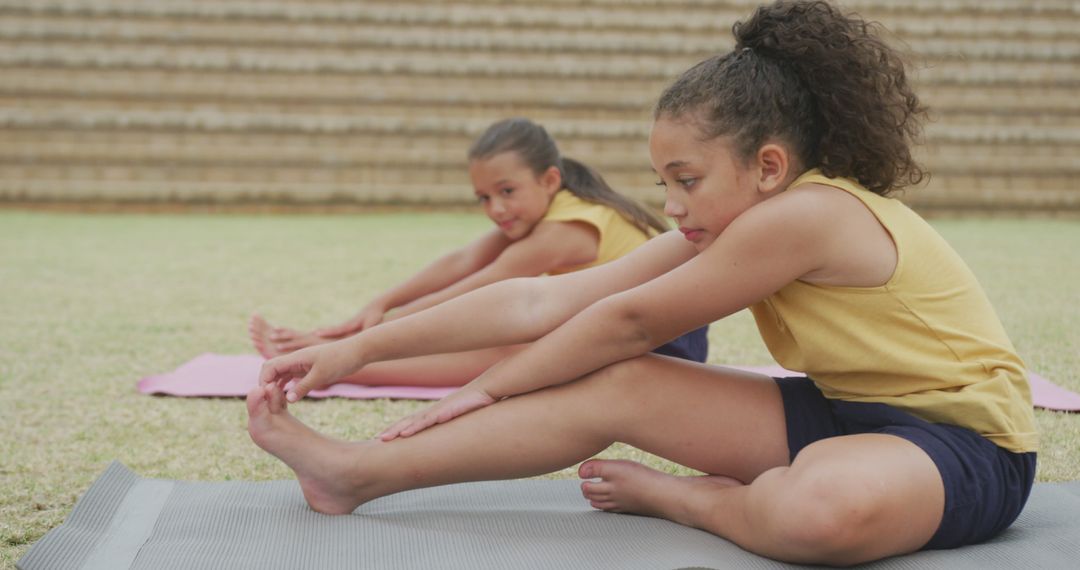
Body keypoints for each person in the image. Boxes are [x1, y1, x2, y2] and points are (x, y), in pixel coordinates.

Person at [245, 1, 1037, 565]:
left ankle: (693, 499)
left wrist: (489, 387)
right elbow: (539, 300)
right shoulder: (735, 220)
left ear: (768, 166)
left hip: (969, 448)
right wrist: (351, 350)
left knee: (820, 510)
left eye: (686, 180)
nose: (670, 206)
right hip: (846, 419)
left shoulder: (810, 214)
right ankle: (351, 476)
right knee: (620, 386)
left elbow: (627, 320)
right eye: (664, 182)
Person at [248, 117, 709, 387]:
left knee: (505, 345)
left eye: (506, 191)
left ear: (549, 180)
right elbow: (462, 262)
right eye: (484, 198)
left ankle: (348, 366)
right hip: (616, 331)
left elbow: (484, 285)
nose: (496, 208)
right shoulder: (539, 212)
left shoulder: (567, 225)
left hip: (663, 347)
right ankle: (346, 356)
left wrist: (363, 339)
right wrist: (380, 304)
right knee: (502, 336)